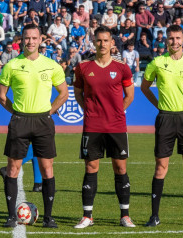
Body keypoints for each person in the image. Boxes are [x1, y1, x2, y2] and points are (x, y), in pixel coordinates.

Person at [0, 24, 69, 228]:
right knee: (13, 168)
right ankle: (11, 216)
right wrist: (16, 113)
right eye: (27, 38)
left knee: (47, 169)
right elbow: (1, 96)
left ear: (40, 40)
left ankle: (48, 217)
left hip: (43, 121)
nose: (30, 42)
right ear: (21, 40)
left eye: (34, 38)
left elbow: (63, 93)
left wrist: (50, 111)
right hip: (20, 120)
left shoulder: (51, 65)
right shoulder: (11, 65)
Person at [141, 25, 183, 227]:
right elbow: (145, 87)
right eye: (170, 38)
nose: (174, 42)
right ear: (166, 41)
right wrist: (158, 105)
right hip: (165, 119)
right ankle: (154, 216)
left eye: (178, 38)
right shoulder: (157, 62)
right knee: (161, 167)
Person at [73, 25, 136, 229]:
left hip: (117, 126)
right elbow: (78, 94)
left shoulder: (122, 68)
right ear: (94, 42)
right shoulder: (83, 67)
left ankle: (125, 216)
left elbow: (130, 95)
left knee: (120, 168)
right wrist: (89, 111)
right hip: (93, 126)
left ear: (112, 43)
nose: (102, 44)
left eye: (106, 40)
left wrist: (117, 112)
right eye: (98, 40)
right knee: (91, 167)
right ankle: (87, 216)